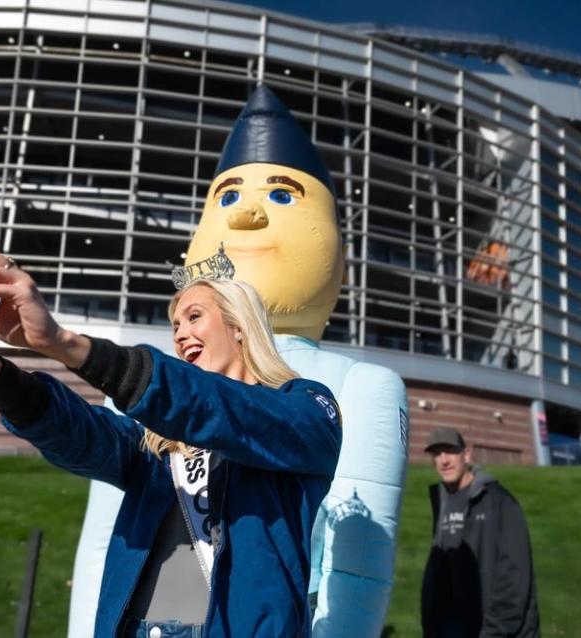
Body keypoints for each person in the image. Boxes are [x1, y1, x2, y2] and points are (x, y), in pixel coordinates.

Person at [70, 85, 408, 638]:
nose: (247, 214)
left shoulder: (329, 395)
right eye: (226, 199)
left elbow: (357, 564)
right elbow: (107, 543)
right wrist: (2, 368)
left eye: (281, 197)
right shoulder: (146, 397)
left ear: (236, 323)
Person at [0, 239, 343, 638]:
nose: (181, 333)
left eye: (194, 316)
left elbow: (223, 410)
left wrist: (62, 342)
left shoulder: (304, 408)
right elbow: (77, 432)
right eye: (175, 326)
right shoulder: (156, 444)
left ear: (240, 326)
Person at [421, 426, 539, 638]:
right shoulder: (441, 501)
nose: (443, 460)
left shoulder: (499, 501)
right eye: (437, 454)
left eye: (450, 451)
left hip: (491, 629)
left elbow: (514, 576)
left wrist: (493, 632)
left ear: (467, 454)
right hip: (450, 627)